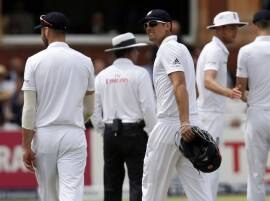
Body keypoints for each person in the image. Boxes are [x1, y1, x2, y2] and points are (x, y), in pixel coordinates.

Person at [21, 12, 95, 201]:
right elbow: (89, 109)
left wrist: (25, 145)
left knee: (48, 195)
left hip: (45, 134)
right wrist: (76, 119)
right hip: (74, 133)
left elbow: (29, 109)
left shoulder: (34, 61)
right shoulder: (85, 61)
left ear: (46, 31)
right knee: (71, 193)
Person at [141, 9, 212, 201]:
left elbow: (179, 85)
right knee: (199, 192)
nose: (149, 28)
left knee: (152, 188)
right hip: (188, 124)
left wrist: (184, 122)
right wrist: (189, 122)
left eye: (153, 23)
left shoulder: (168, 49)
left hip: (174, 124)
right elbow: (191, 89)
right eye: (146, 24)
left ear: (167, 26)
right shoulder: (180, 49)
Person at [91, 32, 156, 201]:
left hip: (110, 132)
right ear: (129, 52)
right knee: (138, 183)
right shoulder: (140, 73)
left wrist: (102, 129)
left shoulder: (102, 76)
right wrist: (152, 131)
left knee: (111, 185)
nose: (137, 53)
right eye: (135, 50)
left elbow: (93, 110)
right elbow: (148, 107)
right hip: (135, 132)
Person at [196, 11, 247, 200]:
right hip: (209, 114)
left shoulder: (215, 49)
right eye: (232, 28)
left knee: (209, 165)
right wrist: (229, 92)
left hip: (210, 113)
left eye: (236, 28)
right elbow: (208, 81)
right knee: (210, 165)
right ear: (221, 29)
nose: (236, 32)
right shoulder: (215, 50)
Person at [236, 9, 270, 201]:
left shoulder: (246, 51)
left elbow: (240, 89)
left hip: (257, 113)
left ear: (255, 26)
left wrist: (250, 98)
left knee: (256, 174)